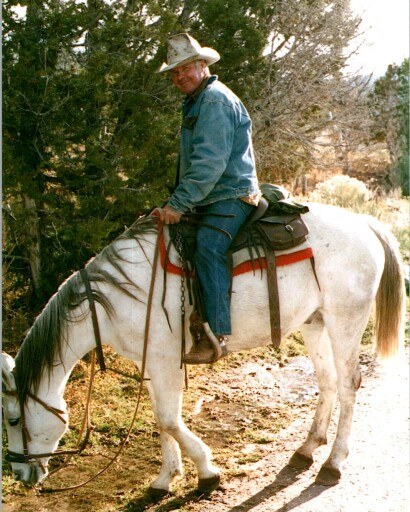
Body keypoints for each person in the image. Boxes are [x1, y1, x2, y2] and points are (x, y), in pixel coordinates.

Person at [159, 33, 260, 364]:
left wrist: (178, 204)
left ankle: (216, 335)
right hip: (213, 195)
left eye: (186, 68)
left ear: (202, 65)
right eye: (175, 72)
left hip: (231, 193)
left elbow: (209, 165)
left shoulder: (214, 101)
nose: (180, 76)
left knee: (208, 246)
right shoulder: (198, 100)